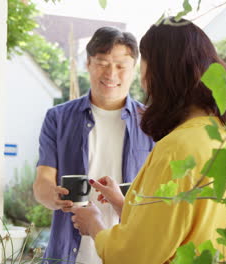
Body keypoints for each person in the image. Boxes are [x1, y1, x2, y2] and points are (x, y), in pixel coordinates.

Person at [70, 17, 226, 263]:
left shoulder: (177, 149)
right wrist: (124, 204)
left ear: (161, 73)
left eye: (142, 65)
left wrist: (94, 225)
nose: (142, 79)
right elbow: (177, 223)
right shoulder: (220, 135)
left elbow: (136, 255)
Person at [33, 27, 154, 264]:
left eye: (121, 66)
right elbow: (42, 183)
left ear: (133, 69)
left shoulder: (153, 123)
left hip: (129, 253)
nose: (111, 73)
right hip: (68, 253)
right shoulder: (58, 118)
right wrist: (53, 196)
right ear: (88, 63)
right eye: (102, 62)